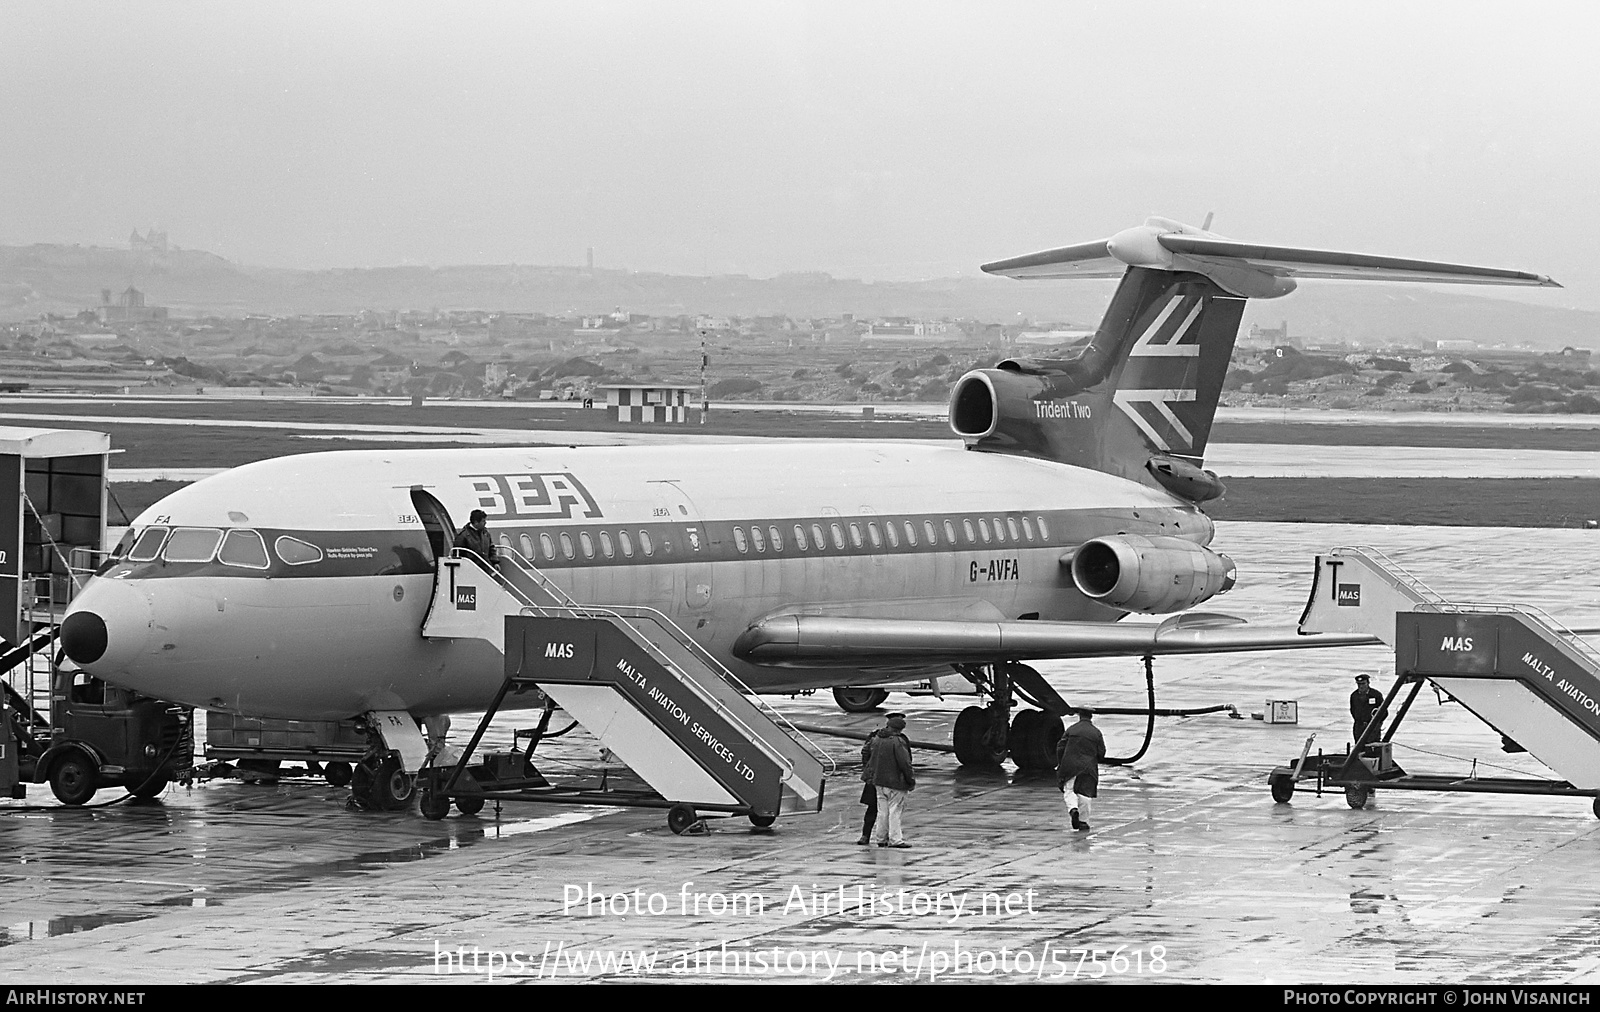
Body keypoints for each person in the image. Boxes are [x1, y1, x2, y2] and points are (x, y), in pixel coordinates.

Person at [868, 712, 915, 848]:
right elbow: (905, 763)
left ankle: (881, 838)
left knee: (882, 811)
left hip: (879, 781)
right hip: (895, 782)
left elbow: (868, 755)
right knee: (895, 811)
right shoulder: (898, 742)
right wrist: (910, 780)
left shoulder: (877, 739)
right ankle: (896, 839)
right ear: (899, 729)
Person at [1056, 707, 1106, 831]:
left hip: (1070, 765)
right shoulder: (1096, 732)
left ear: (1080, 715)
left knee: (1069, 789)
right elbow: (1101, 753)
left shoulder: (1071, 730)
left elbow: (1060, 748)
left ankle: (1073, 809)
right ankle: (1083, 822)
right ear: (1091, 716)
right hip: (1088, 767)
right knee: (1085, 793)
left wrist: (1061, 763)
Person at [857, 721, 881, 846]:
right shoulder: (898, 739)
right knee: (888, 810)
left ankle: (865, 835)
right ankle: (883, 837)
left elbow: (865, 753)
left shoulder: (874, 737)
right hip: (881, 779)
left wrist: (867, 768)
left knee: (872, 809)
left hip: (873, 778)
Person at [1351, 673, 1387, 747]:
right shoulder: (1354, 696)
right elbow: (1353, 710)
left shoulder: (1376, 695)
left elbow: (1384, 712)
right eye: (1359, 684)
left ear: (1368, 683)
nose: (1361, 686)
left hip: (1372, 726)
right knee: (1359, 747)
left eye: (1363, 684)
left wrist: (1377, 724)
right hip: (1359, 726)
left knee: (1372, 747)